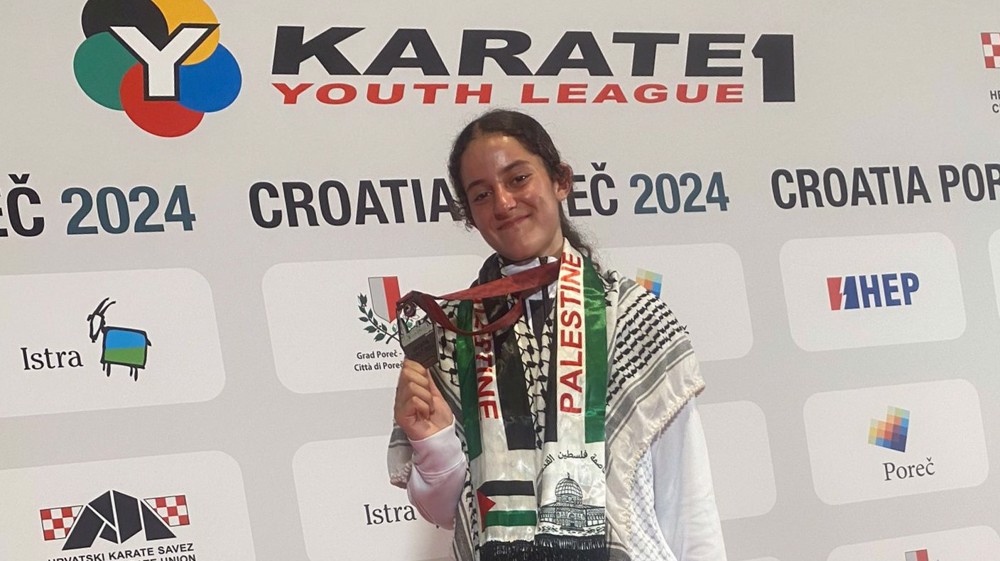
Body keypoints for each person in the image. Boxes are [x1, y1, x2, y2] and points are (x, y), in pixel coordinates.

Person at [388, 109, 726, 561]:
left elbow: (687, 499)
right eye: (482, 194)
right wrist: (433, 440)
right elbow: (443, 509)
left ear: (560, 180)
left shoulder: (633, 316)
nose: (504, 203)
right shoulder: (450, 333)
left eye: (518, 178)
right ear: (469, 214)